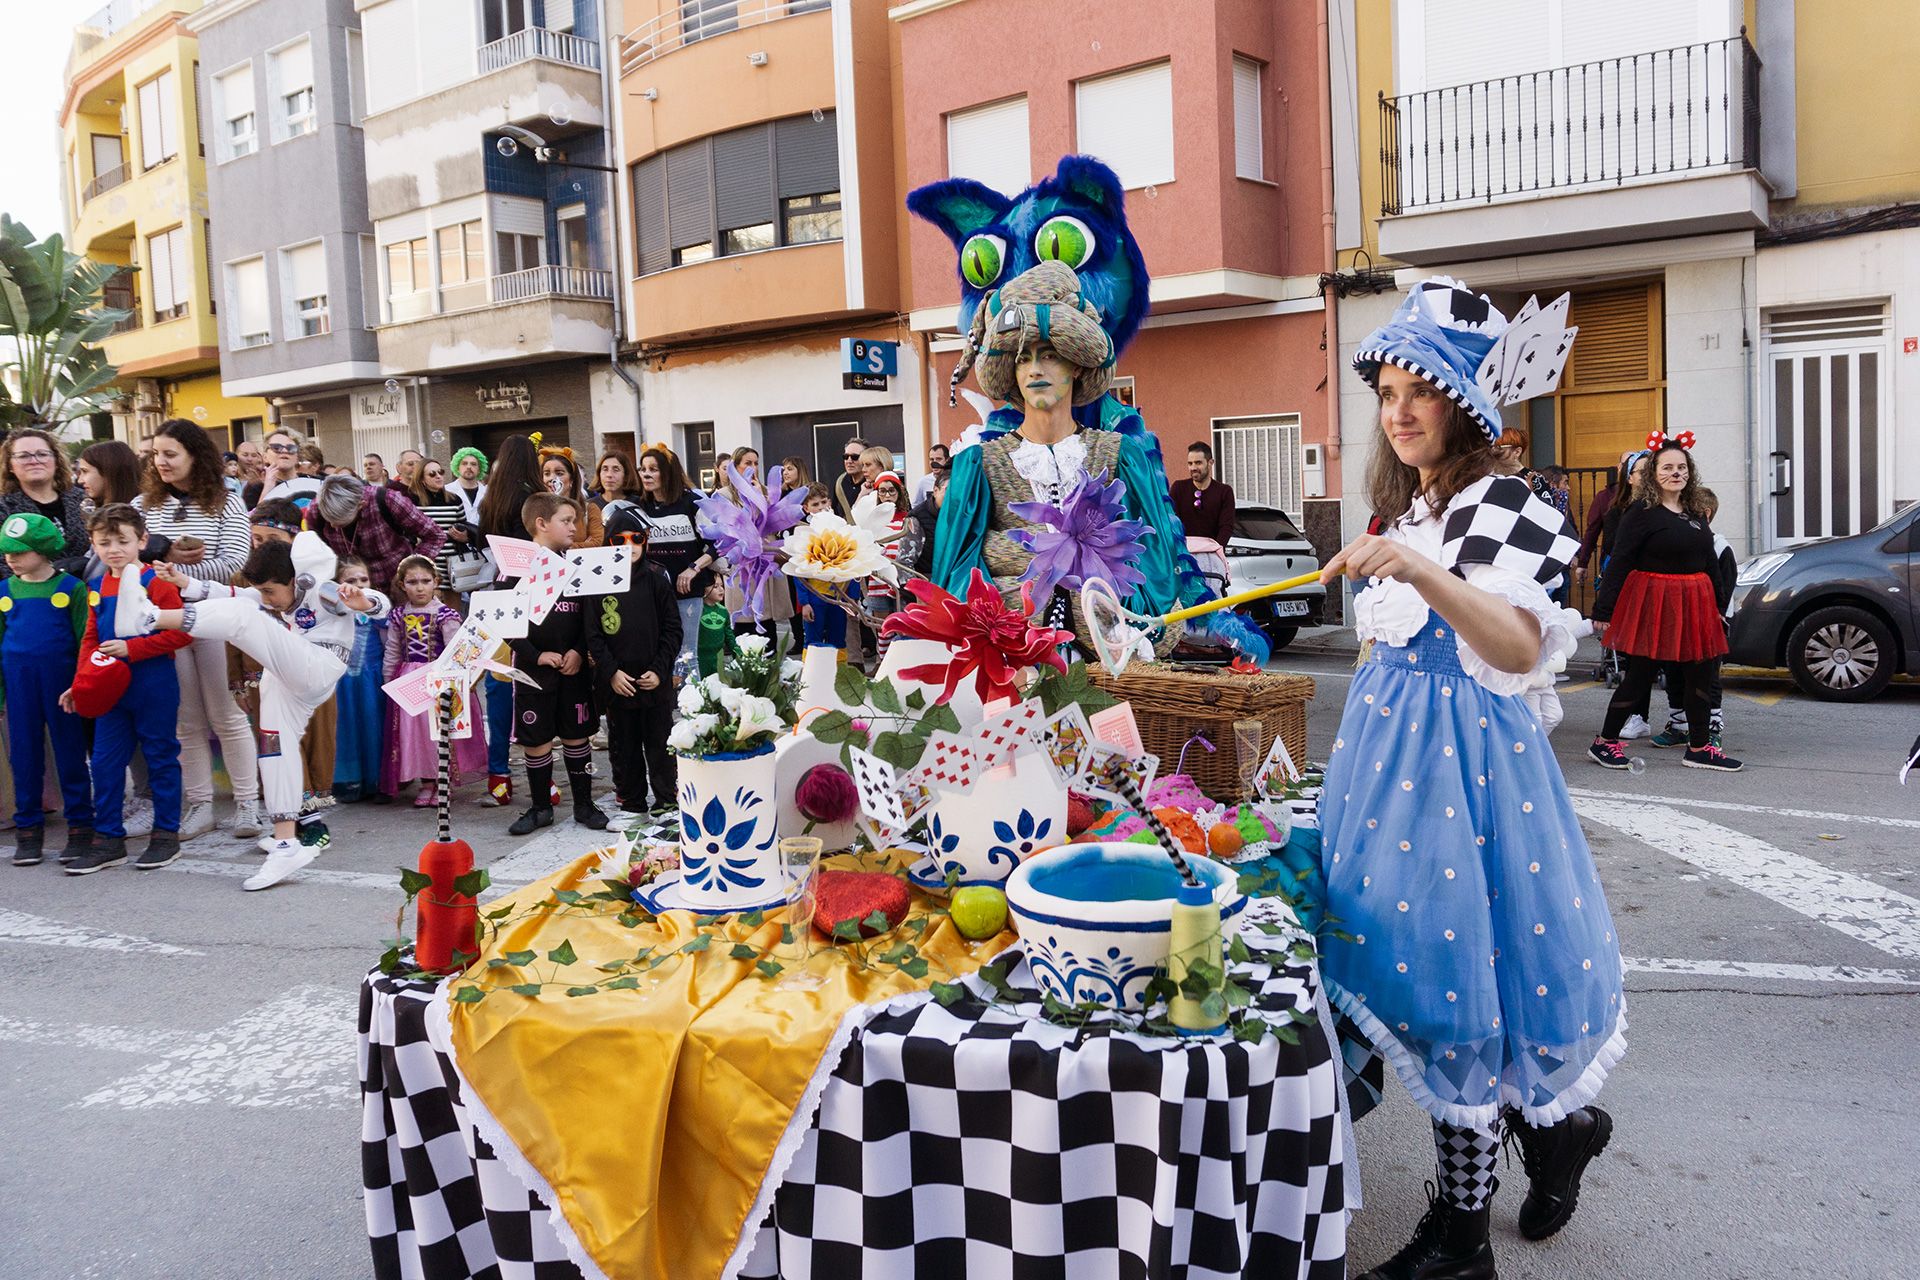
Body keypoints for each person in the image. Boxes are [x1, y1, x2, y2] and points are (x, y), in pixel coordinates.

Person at [1324, 278, 1620, 1280]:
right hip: (1390, 775)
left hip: (1468, 783)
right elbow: (1385, 662)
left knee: (1460, 993)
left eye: (1422, 389)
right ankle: (1561, 1132)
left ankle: (1459, 1237)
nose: (1399, 410)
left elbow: (1520, 640)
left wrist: (1416, 574)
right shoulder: (1411, 509)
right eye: (1387, 390)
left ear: (1467, 402)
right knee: (1444, 981)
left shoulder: (1511, 502)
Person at [932, 261, 1205, 652]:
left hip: (1109, 653)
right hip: (1013, 661)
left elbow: (1154, 564)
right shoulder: (980, 464)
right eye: (1023, 358)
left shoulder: (1120, 455)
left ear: (1075, 365)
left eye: (1049, 355)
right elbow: (959, 574)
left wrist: (1120, 624)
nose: (1034, 369)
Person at [136, 533, 391, 890]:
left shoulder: (322, 590)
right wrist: (186, 583)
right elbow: (237, 594)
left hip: (317, 666)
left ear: (294, 580)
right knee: (273, 749)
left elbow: (379, 604)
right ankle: (286, 843)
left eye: (273, 592)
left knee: (245, 618)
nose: (269, 600)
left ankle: (155, 618)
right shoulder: (277, 593)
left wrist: (366, 602)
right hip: (291, 679)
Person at [137, 419, 263, 839]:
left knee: (226, 714)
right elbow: (133, 562)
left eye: (170, 453)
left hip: (213, 617)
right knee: (185, 720)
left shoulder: (227, 503)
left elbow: (234, 564)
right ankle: (201, 805)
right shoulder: (142, 506)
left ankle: (247, 805)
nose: (162, 462)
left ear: (195, 455)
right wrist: (166, 563)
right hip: (161, 621)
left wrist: (179, 571)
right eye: (157, 454)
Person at [1591, 441, 1740, 772]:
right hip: (1653, 602)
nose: (1676, 473)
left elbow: (1709, 563)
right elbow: (1620, 562)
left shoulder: (1695, 513)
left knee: (1701, 675)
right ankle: (1605, 743)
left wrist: (1717, 605)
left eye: (1682, 467)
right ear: (1654, 475)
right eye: (1668, 468)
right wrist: (1604, 610)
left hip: (1695, 605)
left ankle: (1699, 747)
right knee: (1640, 677)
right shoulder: (1639, 514)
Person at [62, 504, 190, 875]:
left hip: (153, 684)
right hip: (109, 688)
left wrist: (132, 648)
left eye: (123, 541)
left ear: (142, 541)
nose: (114, 549)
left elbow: (181, 632)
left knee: (160, 756)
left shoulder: (157, 583)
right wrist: (80, 682)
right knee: (103, 762)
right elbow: (90, 637)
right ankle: (108, 840)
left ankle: (166, 835)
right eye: (105, 542)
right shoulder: (98, 585)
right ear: (93, 544)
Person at [506, 492, 606, 836]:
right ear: (541, 523)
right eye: (566, 521)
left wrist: (579, 651)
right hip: (534, 672)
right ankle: (539, 808)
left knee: (578, 737)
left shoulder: (578, 566)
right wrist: (536, 655)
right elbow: (505, 623)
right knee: (537, 740)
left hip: (574, 669)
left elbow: (590, 619)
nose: (575, 528)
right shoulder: (516, 569)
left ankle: (584, 805)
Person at [0, 514, 94, 867]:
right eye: (7, 551)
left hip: (61, 684)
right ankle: (28, 828)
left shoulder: (71, 588)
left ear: (44, 549)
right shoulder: (4, 591)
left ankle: (81, 825)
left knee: (70, 753)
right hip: (18, 684)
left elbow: (85, 639)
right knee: (23, 755)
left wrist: (81, 684)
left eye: (20, 551)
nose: (12, 558)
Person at [587, 508, 681, 817]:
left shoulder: (657, 581)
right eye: (620, 539)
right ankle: (631, 800)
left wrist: (659, 669)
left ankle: (666, 799)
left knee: (660, 743)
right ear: (609, 544)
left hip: (654, 681)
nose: (629, 545)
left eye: (636, 538)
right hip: (618, 684)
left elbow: (672, 629)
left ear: (646, 541)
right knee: (624, 746)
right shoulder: (598, 585)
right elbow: (594, 635)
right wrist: (611, 672)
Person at [382, 554, 484, 806]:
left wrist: (458, 681)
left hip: (438, 680)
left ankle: (442, 782)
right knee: (413, 735)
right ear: (402, 585)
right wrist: (388, 682)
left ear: (436, 582)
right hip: (409, 680)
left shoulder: (445, 615)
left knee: (438, 732)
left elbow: (454, 651)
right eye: (412, 582)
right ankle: (426, 783)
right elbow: (393, 650)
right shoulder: (397, 616)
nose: (419, 587)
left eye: (425, 581)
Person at [476, 435, 542, 808]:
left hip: (500, 593)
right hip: (536, 593)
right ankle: (544, 781)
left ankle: (498, 778)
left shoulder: (492, 498)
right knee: (535, 684)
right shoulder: (533, 496)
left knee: (499, 686)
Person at [633, 444, 714, 670]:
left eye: (654, 469)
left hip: (688, 590)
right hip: (652, 592)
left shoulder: (690, 502)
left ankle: (691, 706)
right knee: (659, 653)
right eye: (643, 469)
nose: (646, 474)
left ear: (667, 472)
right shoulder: (639, 506)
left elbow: (717, 544)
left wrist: (693, 568)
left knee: (687, 655)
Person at [309, 472, 447, 598]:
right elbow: (316, 553)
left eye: (339, 521)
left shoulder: (388, 500)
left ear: (360, 505)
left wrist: (408, 571)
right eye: (329, 519)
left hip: (396, 588)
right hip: (349, 592)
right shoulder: (316, 510)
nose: (333, 526)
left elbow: (435, 535)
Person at [331, 555, 389, 806]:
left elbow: (390, 632)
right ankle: (349, 781)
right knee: (346, 728)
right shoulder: (333, 610)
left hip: (370, 678)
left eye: (363, 579)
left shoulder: (377, 607)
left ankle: (377, 780)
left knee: (372, 726)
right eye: (350, 580)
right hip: (343, 679)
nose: (358, 585)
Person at [0, 427, 91, 577]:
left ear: (56, 460)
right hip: (30, 595)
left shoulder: (84, 500)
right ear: (10, 466)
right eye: (23, 456)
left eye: (42, 454)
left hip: (87, 592)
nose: (34, 461)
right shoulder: (4, 508)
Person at [794, 484, 848, 654]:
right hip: (814, 594)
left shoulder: (842, 528)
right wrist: (804, 603)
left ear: (830, 502)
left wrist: (850, 597)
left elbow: (852, 563)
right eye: (815, 505)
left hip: (839, 594)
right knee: (813, 641)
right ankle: (811, 679)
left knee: (838, 639)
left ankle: (839, 677)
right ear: (806, 508)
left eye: (823, 502)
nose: (821, 508)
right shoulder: (802, 532)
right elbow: (798, 571)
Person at [408, 459, 468, 594]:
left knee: (453, 611)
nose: (438, 476)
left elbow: (463, 526)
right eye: (432, 474)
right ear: (422, 479)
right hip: (425, 563)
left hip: (452, 562)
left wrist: (464, 536)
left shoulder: (454, 499)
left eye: (440, 472)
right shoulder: (412, 501)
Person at [1170, 440, 1235, 546]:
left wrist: (1215, 549)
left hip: (1212, 553)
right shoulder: (1178, 488)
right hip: (1184, 553)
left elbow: (1226, 527)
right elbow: (1171, 521)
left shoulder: (1224, 492)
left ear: (1210, 463)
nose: (1193, 468)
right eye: (1190, 464)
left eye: (1198, 463)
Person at [539, 445, 604, 548]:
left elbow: (596, 543)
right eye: (547, 474)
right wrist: (583, 545)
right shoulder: (537, 509)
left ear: (572, 480)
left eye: (559, 473)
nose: (552, 478)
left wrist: (569, 547)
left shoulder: (589, 509)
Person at [252, 428, 323, 509]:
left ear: (297, 457)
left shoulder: (313, 482)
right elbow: (252, 520)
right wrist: (267, 489)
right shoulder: (255, 488)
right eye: (276, 448)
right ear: (265, 457)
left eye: (291, 448)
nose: (284, 451)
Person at [899, 469, 945, 581]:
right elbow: (904, 564)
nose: (953, 496)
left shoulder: (961, 516)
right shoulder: (916, 518)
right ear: (935, 491)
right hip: (926, 585)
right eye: (948, 490)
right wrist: (919, 592)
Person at [448, 447, 489, 524]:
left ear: (479, 469)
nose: (469, 467)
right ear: (457, 467)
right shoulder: (447, 490)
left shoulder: (488, 493)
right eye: (464, 463)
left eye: (473, 464)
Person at [833, 438, 867, 518]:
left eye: (854, 457)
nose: (849, 461)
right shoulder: (840, 482)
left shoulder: (873, 482)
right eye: (845, 456)